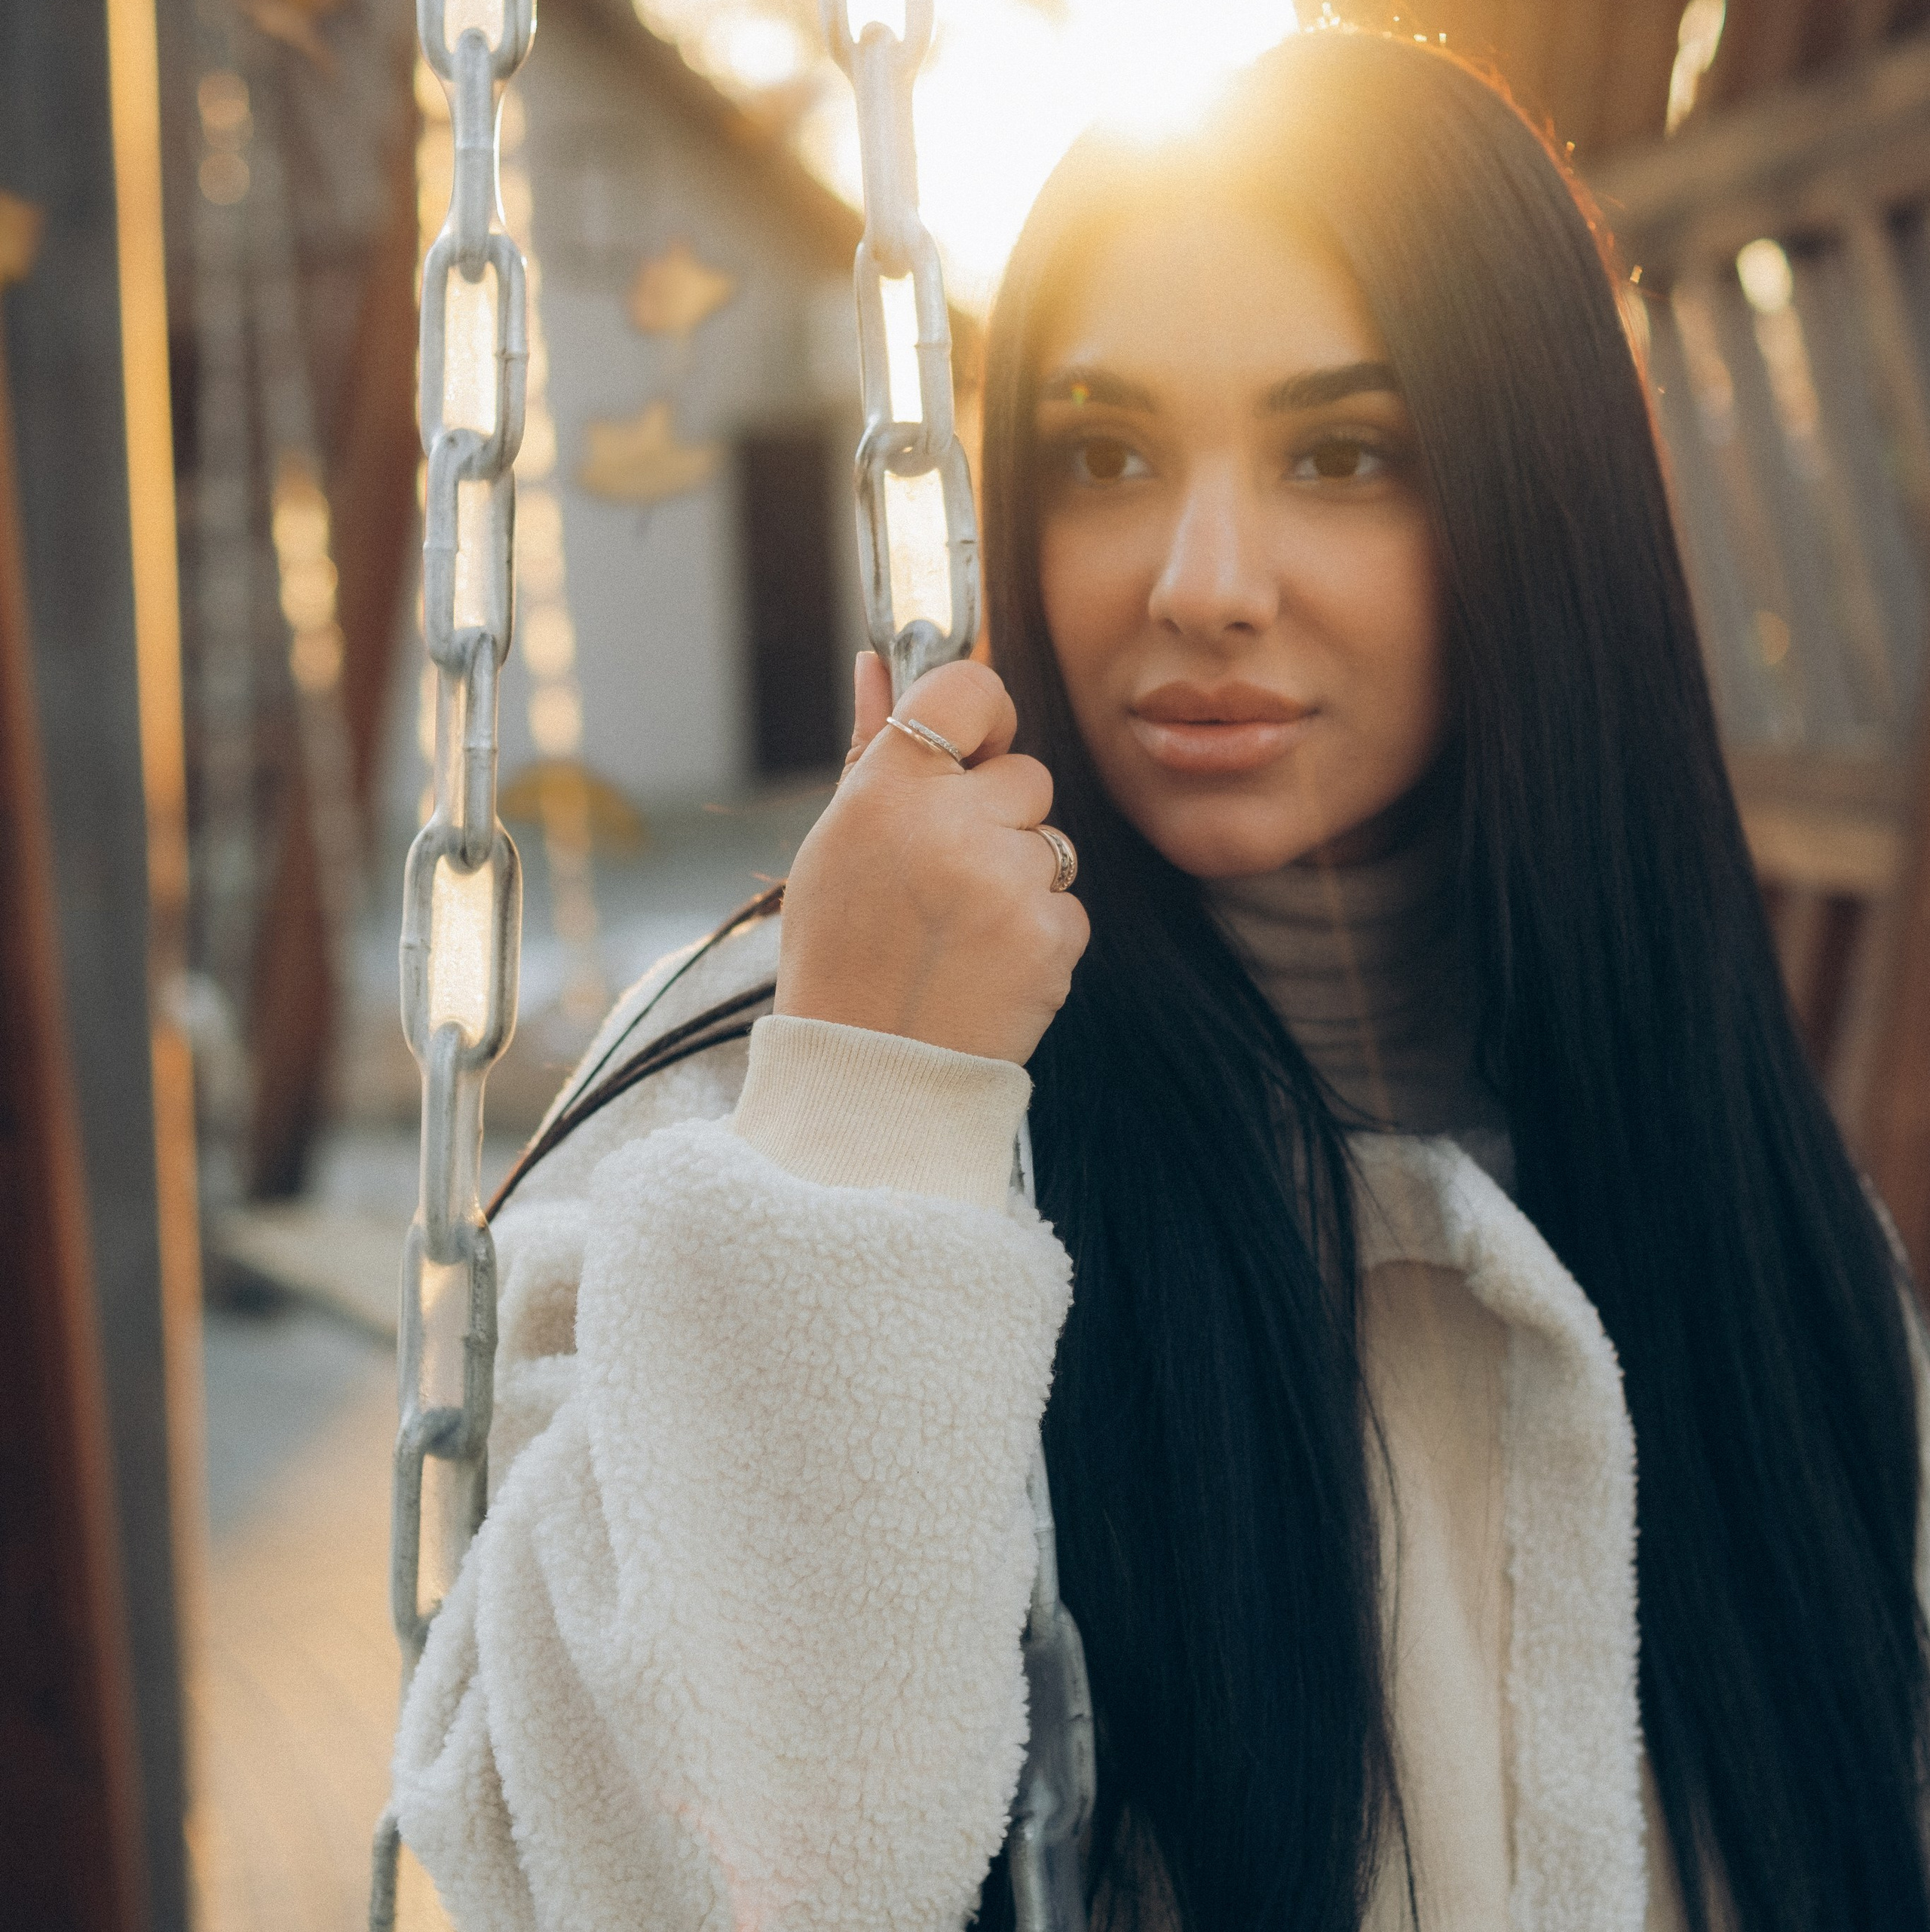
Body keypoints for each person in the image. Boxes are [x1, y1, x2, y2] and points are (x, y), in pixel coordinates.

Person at [393, 29, 1930, 1932]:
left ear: (1535, 502)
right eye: (1107, 453)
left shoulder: (1752, 1216)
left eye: (1341, 452)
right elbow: (640, 1895)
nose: (1201, 578)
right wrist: (869, 1112)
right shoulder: (747, 1115)